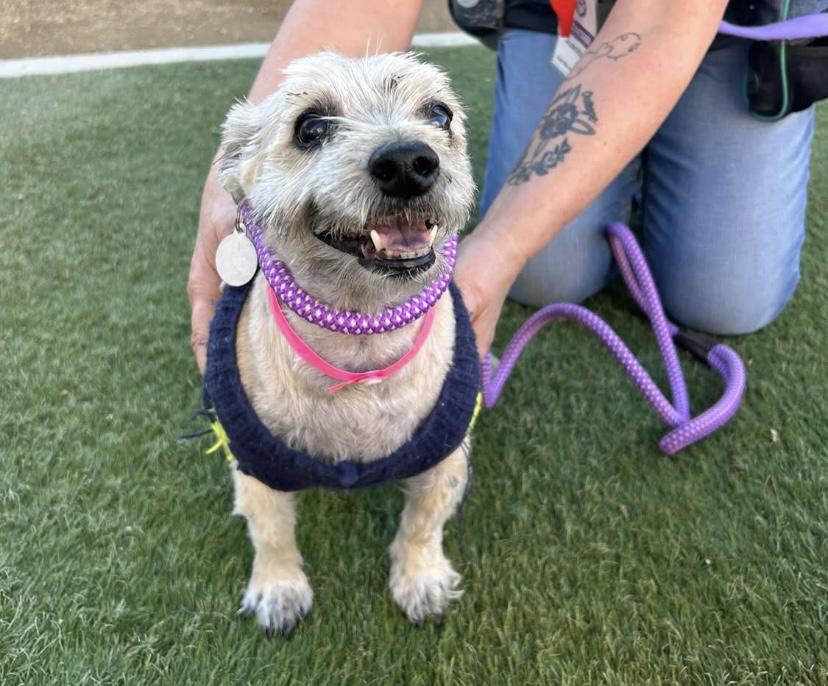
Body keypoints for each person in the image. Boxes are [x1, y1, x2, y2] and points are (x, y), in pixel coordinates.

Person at [188, 0, 817, 373]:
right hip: (566, 10)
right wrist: (237, 167)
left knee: (726, 298)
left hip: (729, 19)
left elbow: (660, 16)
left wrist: (496, 253)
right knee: (551, 273)